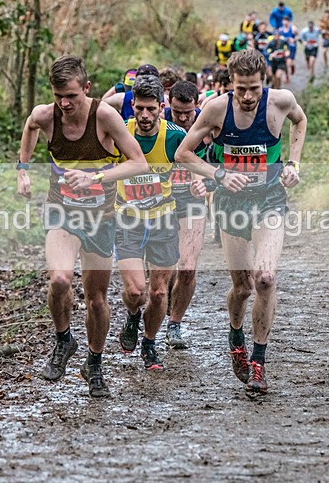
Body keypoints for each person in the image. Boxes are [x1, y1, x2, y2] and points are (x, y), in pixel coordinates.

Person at [174, 49, 307, 396]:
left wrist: (293, 163)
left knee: (265, 278)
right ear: (230, 84)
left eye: (253, 89)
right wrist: (218, 173)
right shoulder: (216, 109)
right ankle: (235, 334)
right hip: (231, 204)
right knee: (243, 287)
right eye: (240, 90)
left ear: (265, 81)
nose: (247, 97)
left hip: (269, 200)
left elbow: (300, 120)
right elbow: (183, 154)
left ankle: (259, 363)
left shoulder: (281, 101)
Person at [17, 55, 148, 397]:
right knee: (60, 280)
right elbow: (30, 127)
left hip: (101, 219)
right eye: (59, 95)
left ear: (87, 89)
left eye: (72, 96)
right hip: (62, 214)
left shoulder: (104, 116)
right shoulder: (46, 115)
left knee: (96, 300)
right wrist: (22, 168)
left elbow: (138, 163)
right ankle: (64, 341)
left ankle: (94, 363)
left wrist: (95, 177)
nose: (65, 103)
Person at [115, 75, 185, 370]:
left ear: (162, 107)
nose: (144, 116)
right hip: (128, 220)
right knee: (135, 292)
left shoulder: (175, 136)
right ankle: (132, 317)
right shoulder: (119, 131)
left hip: (163, 220)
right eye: (139, 108)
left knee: (158, 293)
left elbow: (195, 160)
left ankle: (150, 342)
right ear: (132, 106)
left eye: (151, 109)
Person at [162, 81, 206, 349]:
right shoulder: (156, 124)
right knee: (161, 270)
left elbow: (223, 159)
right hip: (161, 201)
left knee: (187, 267)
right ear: (168, 105)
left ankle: (175, 325)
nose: (182, 117)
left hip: (192, 201)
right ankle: (158, 302)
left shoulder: (208, 124)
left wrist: (207, 182)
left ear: (196, 107)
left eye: (187, 113)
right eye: (176, 111)